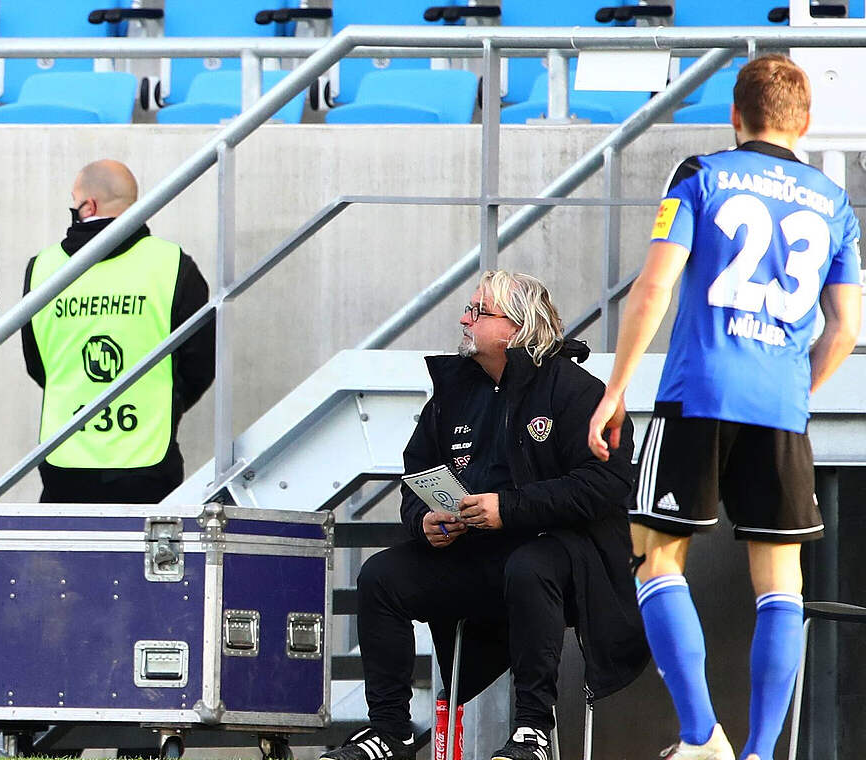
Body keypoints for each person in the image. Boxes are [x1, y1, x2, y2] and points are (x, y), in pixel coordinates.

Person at [588, 54, 861, 760]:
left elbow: (653, 289)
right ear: (806, 123)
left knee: (657, 560)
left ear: (734, 117)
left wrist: (615, 391)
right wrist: (796, 387)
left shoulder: (701, 174)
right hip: (780, 406)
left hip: (700, 389)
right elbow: (847, 329)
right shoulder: (833, 204)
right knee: (781, 584)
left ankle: (700, 735)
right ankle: (763, 751)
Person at [322, 272, 648, 760]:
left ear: (516, 328)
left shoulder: (576, 391)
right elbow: (418, 474)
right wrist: (424, 522)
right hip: (479, 559)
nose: (463, 319)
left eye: (478, 312)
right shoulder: (455, 394)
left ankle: (532, 730)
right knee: (381, 576)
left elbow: (608, 482)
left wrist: (508, 509)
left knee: (530, 564)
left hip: (568, 564)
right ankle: (390, 729)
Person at [20, 159, 213, 503]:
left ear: (88, 206)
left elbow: (38, 363)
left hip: (65, 459)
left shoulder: (43, 268)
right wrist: (163, 403)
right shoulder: (173, 265)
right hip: (148, 460)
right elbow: (200, 364)